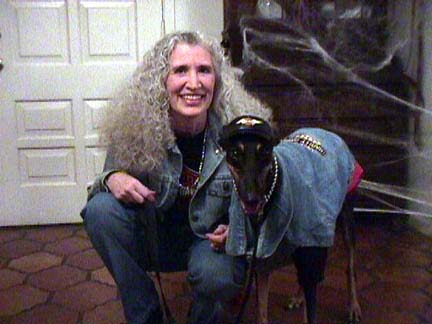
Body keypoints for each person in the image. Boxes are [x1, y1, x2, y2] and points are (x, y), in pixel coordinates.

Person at [81, 31, 272, 324]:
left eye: (204, 71)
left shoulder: (239, 137)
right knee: (99, 211)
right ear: (162, 81)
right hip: (152, 240)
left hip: (208, 244)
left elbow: (265, 199)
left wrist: (237, 227)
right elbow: (99, 187)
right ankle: (145, 314)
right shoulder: (135, 127)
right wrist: (112, 178)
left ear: (217, 81)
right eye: (181, 70)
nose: (193, 84)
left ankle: (204, 317)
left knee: (217, 277)